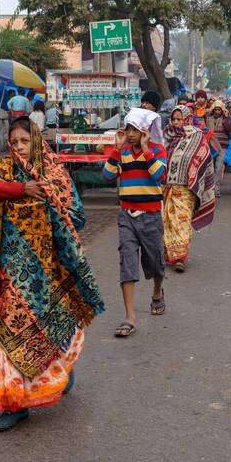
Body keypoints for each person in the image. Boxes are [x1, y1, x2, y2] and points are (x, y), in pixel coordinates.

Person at [0, 118, 104, 431]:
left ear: (35, 142)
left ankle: (60, 370)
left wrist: (50, 205)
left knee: (57, 330)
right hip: (10, 274)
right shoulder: (4, 170)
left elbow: (77, 216)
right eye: (14, 142)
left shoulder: (55, 172)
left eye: (24, 141)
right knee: (10, 337)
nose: (18, 147)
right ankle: (13, 404)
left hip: (50, 271)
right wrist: (21, 190)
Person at [101, 108, 167, 338]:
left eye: (135, 130)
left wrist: (147, 150)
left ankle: (157, 291)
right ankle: (130, 317)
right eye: (127, 129)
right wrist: (116, 149)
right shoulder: (123, 152)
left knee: (156, 262)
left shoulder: (158, 150)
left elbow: (159, 174)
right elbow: (107, 175)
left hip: (151, 216)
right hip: (127, 216)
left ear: (145, 132)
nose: (130, 134)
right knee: (127, 262)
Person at [162, 106, 216, 272]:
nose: (176, 122)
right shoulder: (166, 135)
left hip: (186, 189)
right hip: (166, 187)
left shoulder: (197, 136)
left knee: (182, 221)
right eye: (174, 119)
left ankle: (180, 257)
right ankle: (169, 254)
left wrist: (193, 174)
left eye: (179, 119)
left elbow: (203, 158)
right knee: (167, 222)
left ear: (187, 119)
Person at [205, 100, 231, 197]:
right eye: (216, 109)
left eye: (219, 110)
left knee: (218, 168)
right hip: (210, 147)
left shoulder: (226, 119)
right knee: (210, 168)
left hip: (222, 147)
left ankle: (216, 190)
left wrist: (226, 116)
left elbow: (229, 128)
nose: (217, 112)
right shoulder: (208, 117)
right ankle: (209, 189)